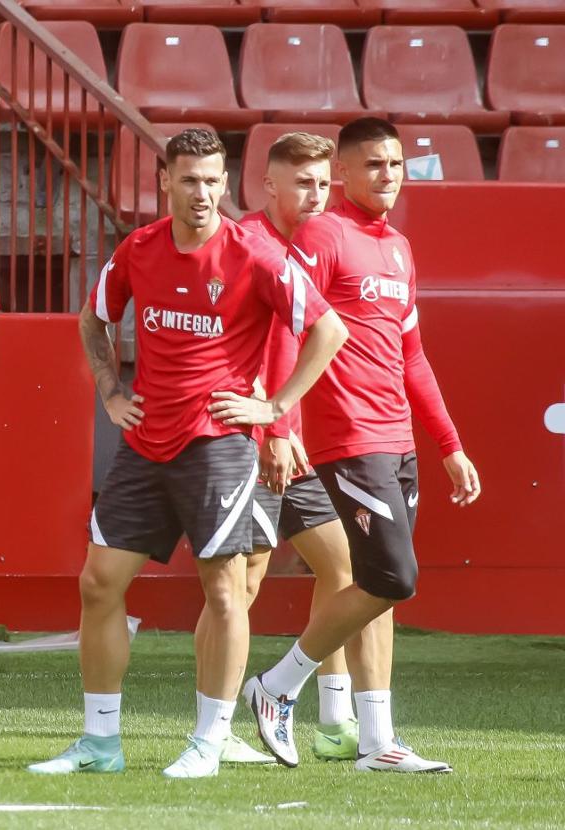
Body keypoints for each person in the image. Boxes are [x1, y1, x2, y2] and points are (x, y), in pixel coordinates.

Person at [28, 128, 347, 779]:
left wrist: (273, 408)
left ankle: (208, 740)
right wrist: (111, 390)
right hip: (145, 444)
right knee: (98, 584)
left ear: (226, 183)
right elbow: (94, 319)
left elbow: (327, 330)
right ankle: (99, 743)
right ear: (164, 182)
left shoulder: (253, 253)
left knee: (226, 591)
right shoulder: (139, 249)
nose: (202, 193)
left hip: (222, 448)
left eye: (212, 180)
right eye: (190, 179)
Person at [244, 118, 481, 774]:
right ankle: (278, 685)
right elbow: (292, 329)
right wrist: (281, 423)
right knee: (391, 576)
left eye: (396, 164)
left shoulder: (400, 248)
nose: (388, 175)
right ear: (342, 174)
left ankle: (378, 743)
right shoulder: (322, 234)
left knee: (384, 587)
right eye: (373, 164)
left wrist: (449, 443)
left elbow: (414, 356)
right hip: (347, 436)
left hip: (397, 438)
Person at [235, 132, 362, 761]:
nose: (316, 196)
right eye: (303, 183)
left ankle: (333, 720)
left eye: (322, 183)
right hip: (258, 443)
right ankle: (216, 725)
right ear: (270, 185)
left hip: (300, 447)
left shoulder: (324, 243)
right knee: (243, 583)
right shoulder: (249, 245)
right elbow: (258, 351)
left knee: (343, 571)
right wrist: (276, 431)